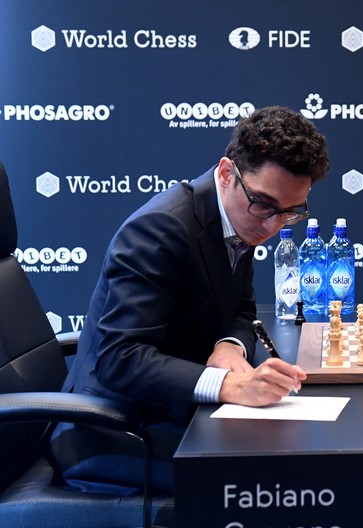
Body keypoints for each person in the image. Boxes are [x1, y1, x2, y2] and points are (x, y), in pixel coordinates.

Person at [50, 106, 330, 495]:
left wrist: (228, 347)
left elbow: (243, 309)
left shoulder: (238, 215)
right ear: (228, 173)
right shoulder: (160, 229)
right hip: (112, 430)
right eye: (265, 205)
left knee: (283, 448)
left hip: (168, 411)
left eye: (289, 212)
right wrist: (228, 385)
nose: (272, 225)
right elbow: (119, 358)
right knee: (261, 483)